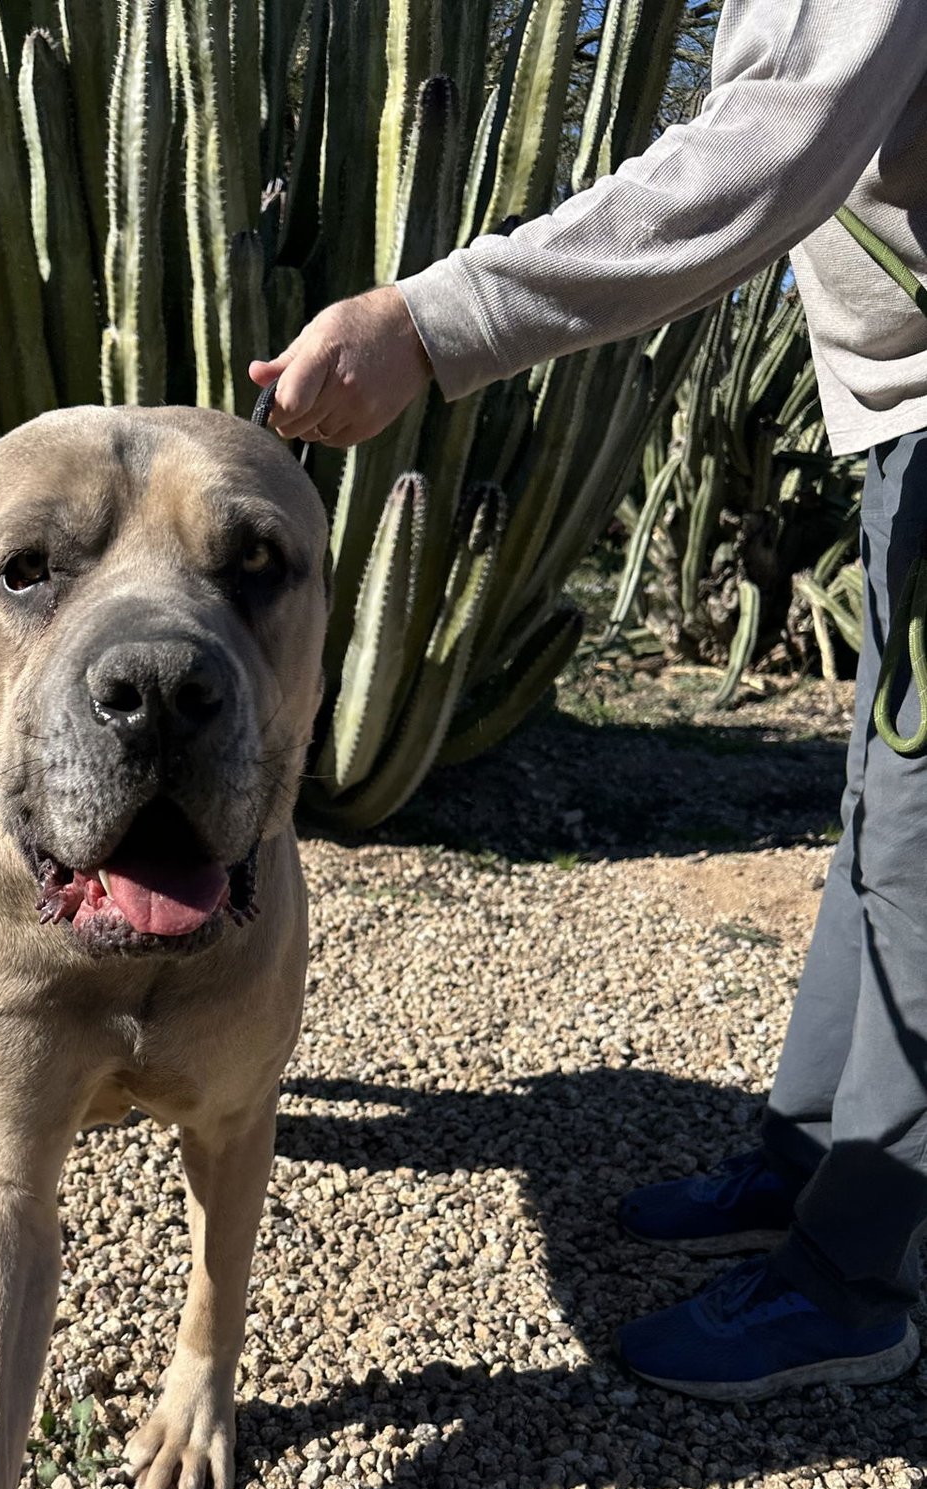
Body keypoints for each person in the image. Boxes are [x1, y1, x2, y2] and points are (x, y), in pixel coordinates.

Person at [250, 0, 927, 1402]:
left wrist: (428, 324)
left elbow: (766, 149)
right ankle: (808, 1163)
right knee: (882, 804)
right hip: (907, 422)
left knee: (926, 850)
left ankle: (857, 1277)